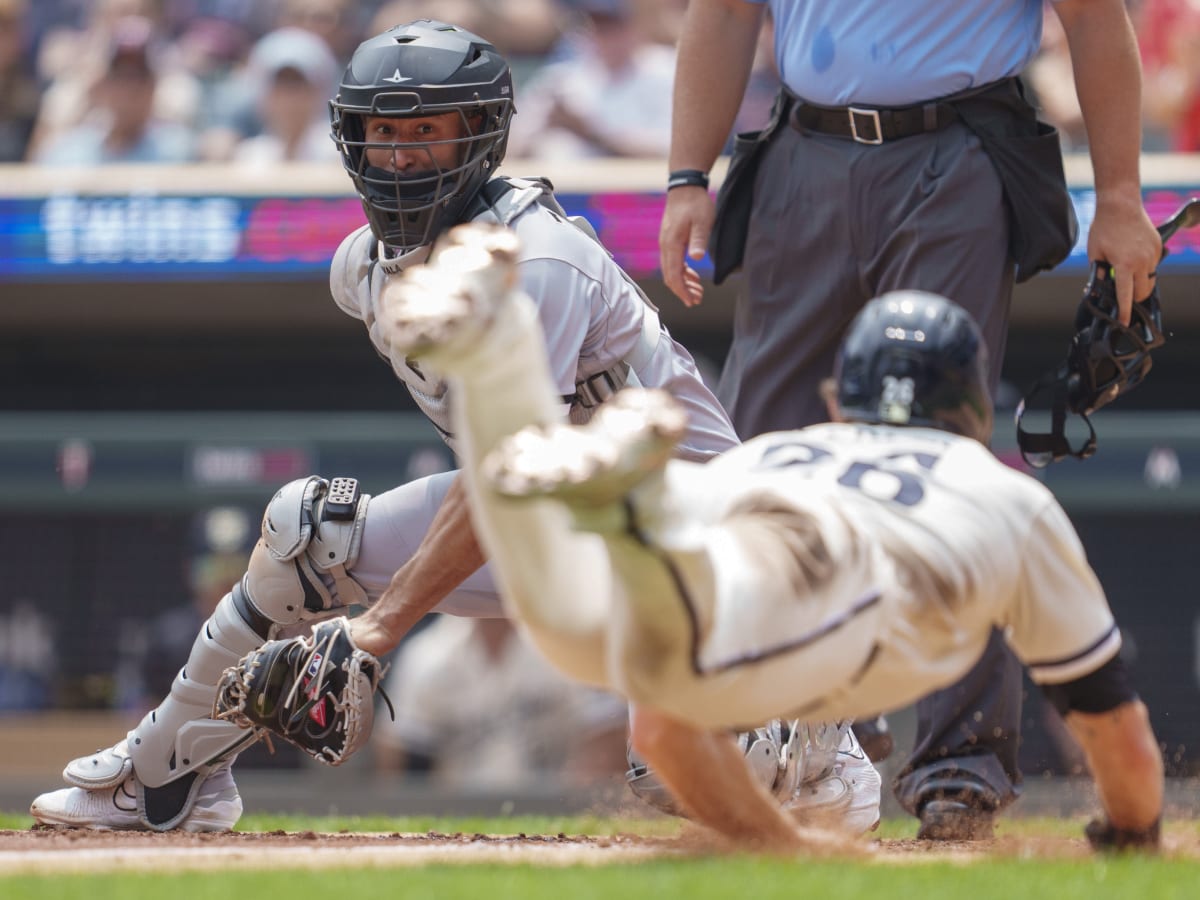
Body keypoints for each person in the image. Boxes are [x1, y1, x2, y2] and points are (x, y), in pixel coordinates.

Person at [29, 19, 878, 834]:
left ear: (481, 135)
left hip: (695, 544)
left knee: (673, 766)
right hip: (565, 528)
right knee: (306, 534)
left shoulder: (533, 257)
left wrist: (377, 629)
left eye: (426, 130)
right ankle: (165, 779)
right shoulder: (359, 270)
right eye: (379, 133)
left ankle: (818, 749)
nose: (399, 155)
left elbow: (511, 472)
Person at [374, 238, 1164, 850]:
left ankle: (500, 354)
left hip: (734, 539)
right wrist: (1134, 832)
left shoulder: (777, 450)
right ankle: (627, 505)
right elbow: (1111, 728)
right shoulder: (1006, 494)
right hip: (835, 577)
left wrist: (782, 849)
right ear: (977, 417)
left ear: (837, 403)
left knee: (567, 620)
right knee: (659, 612)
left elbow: (657, 732)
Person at [657, 0, 1164, 840]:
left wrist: (1119, 192)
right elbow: (723, 14)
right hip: (802, 154)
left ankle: (959, 772)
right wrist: (685, 177)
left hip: (955, 150)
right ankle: (787, 740)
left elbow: (1095, 19)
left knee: (937, 458)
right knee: (756, 451)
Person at [373, 615, 629, 788]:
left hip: (552, 806)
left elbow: (607, 737)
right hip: (458, 814)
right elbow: (399, 761)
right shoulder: (428, 653)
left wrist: (569, 804)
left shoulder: (568, 641)